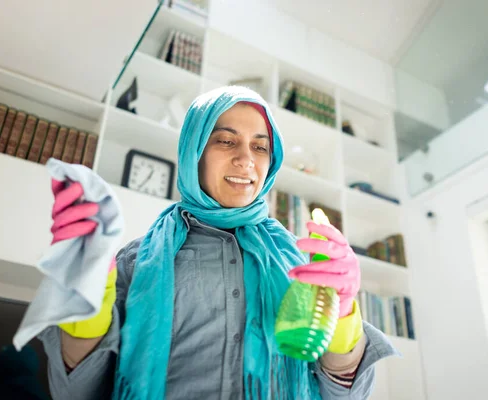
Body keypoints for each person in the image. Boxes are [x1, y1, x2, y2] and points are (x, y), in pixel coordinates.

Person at [38, 86, 397, 399]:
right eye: (226, 141)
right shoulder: (134, 262)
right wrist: (87, 285)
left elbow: (346, 393)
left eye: (261, 147)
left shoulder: (301, 261)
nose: (246, 160)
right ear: (194, 151)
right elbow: (76, 390)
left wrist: (346, 312)